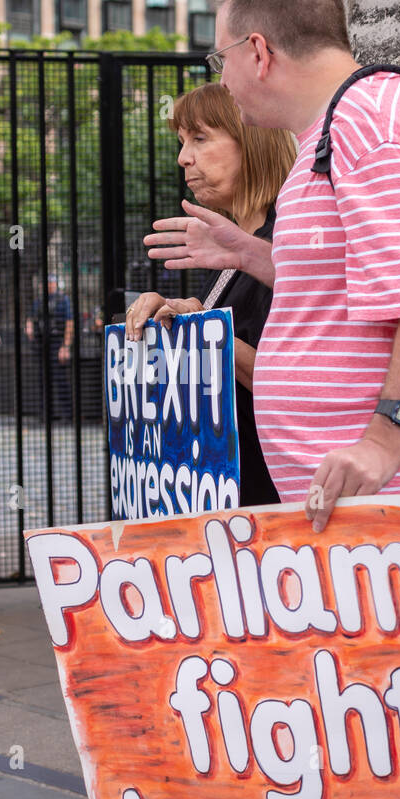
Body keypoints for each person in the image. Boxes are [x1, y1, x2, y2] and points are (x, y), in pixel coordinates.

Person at [145, 0, 400, 533]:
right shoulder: (333, 130)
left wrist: (384, 439)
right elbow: (350, 282)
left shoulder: (375, 120)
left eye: (220, 59)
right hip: (357, 509)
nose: (223, 79)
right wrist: (248, 254)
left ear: (258, 52)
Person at [128, 83, 295, 507]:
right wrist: (180, 319)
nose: (184, 157)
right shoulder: (232, 245)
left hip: (277, 498)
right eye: (182, 142)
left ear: (252, 142)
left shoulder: (288, 239)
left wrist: (203, 329)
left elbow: (298, 385)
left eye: (200, 138)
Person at [25, 274, 74, 420]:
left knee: (60, 379)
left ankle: (67, 413)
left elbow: (69, 323)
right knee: (43, 378)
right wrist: (29, 327)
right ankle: (46, 413)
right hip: (42, 343)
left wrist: (65, 346)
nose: (49, 285)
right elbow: (31, 316)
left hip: (57, 342)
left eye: (51, 283)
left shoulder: (62, 299)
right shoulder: (39, 301)